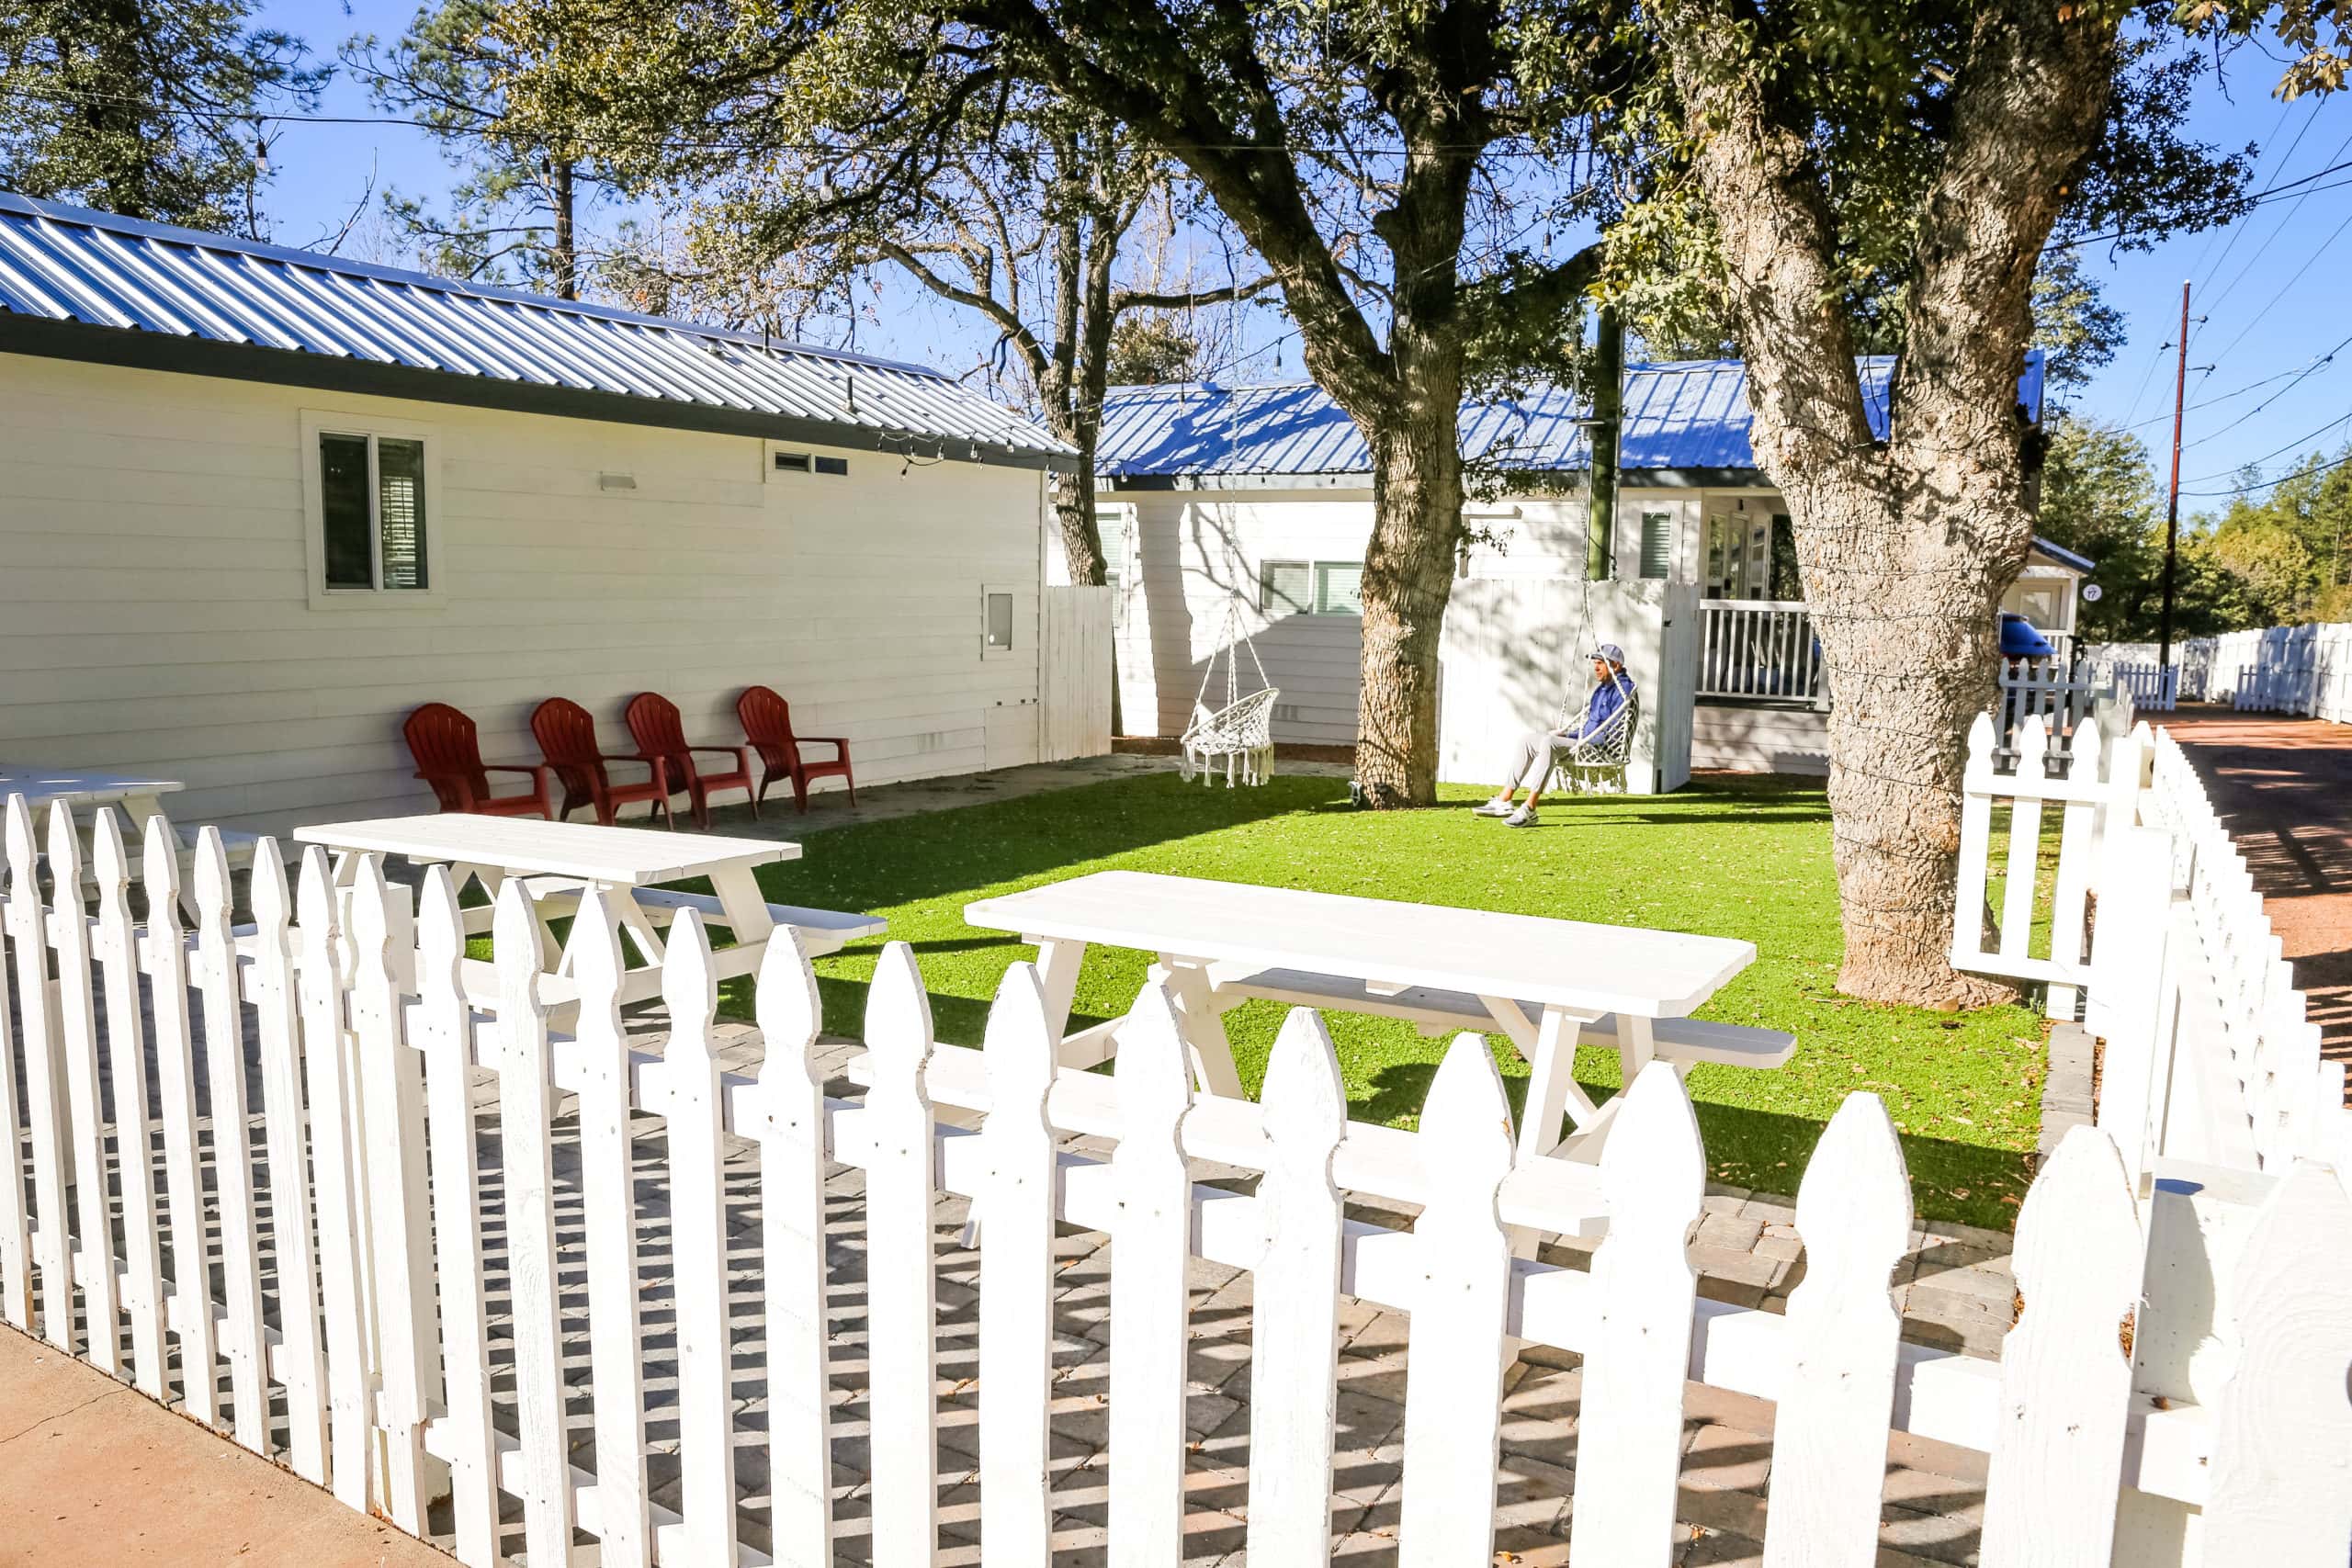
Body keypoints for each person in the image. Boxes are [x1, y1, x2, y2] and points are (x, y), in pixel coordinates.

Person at [1473, 645, 1636, 827]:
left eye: (1601, 664)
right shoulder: (1601, 690)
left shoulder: (1623, 690)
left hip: (1599, 750)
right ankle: (1504, 801)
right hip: (1584, 742)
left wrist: (1576, 741)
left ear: (1616, 666)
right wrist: (1567, 734)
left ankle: (1530, 808)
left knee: (1550, 743)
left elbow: (1610, 732)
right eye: (1595, 663)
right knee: (1528, 740)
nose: (1596, 668)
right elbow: (1591, 726)